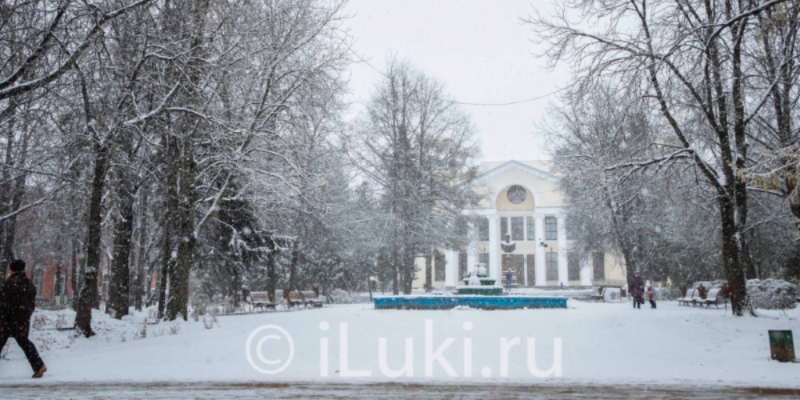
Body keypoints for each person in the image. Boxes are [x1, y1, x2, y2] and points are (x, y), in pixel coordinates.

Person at [0, 259, 47, 378]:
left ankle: (39, 366)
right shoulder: (28, 283)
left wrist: (2, 320)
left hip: (9, 319)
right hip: (22, 319)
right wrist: (26, 315)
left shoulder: (10, 283)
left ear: (13, 269)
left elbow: (4, 304)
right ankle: (39, 365)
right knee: (24, 342)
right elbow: (30, 303)